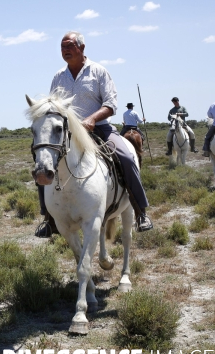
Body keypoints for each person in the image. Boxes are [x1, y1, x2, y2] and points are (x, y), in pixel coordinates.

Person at [35, 31, 153, 237]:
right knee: (44, 163)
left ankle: (140, 211)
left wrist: (92, 119)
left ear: (81, 48)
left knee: (125, 157)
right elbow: (53, 106)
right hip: (68, 133)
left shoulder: (98, 71)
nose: (65, 50)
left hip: (98, 128)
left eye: (69, 46)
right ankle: (48, 218)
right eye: (62, 47)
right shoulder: (58, 77)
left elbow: (111, 104)